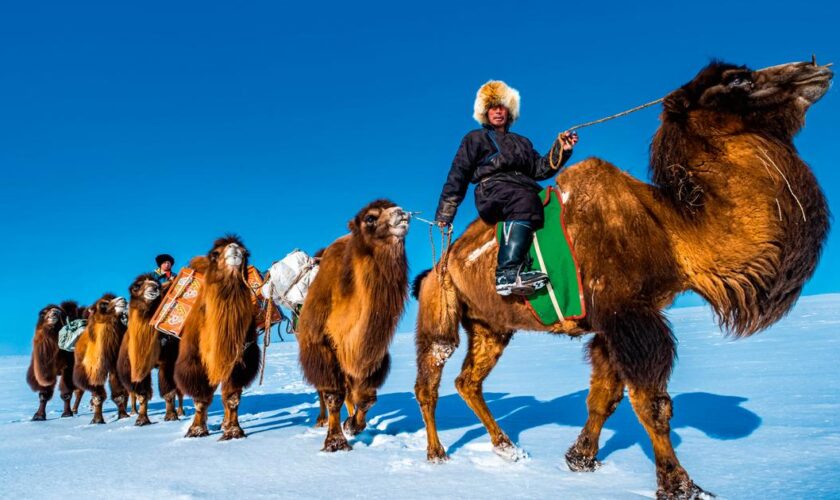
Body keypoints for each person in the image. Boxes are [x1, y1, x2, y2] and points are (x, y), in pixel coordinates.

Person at [435, 80, 578, 296]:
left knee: (551, 205)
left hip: (524, 188)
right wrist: (446, 211)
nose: (498, 111)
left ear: (509, 111)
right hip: (492, 189)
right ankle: (507, 273)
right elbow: (459, 173)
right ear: (485, 112)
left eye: (502, 107)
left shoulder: (523, 142)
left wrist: (562, 148)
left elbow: (539, 170)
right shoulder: (475, 138)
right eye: (492, 107)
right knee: (523, 200)